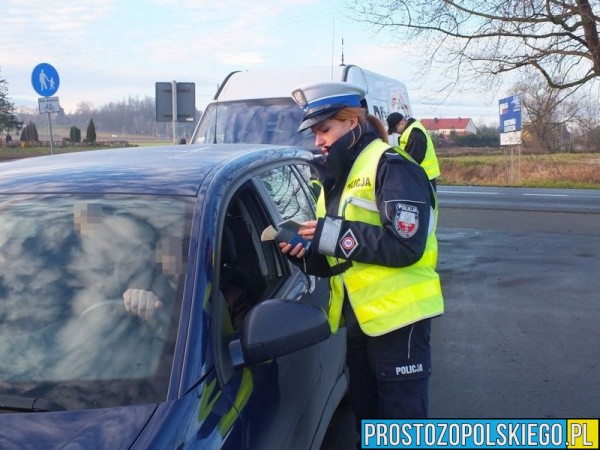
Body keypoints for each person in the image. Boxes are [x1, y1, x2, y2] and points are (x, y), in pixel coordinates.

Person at [282, 81, 444, 427]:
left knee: (401, 425)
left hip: (401, 322)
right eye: (314, 133)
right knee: (367, 415)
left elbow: (406, 244)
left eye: (324, 129)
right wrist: (306, 252)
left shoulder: (391, 165)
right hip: (361, 322)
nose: (318, 141)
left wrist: (332, 235)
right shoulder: (342, 175)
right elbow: (342, 258)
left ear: (352, 122)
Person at [386, 112, 440, 190]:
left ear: (402, 123)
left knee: (424, 201)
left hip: (423, 176)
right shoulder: (410, 131)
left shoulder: (414, 133)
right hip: (421, 176)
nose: (394, 132)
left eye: (395, 129)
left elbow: (413, 159)